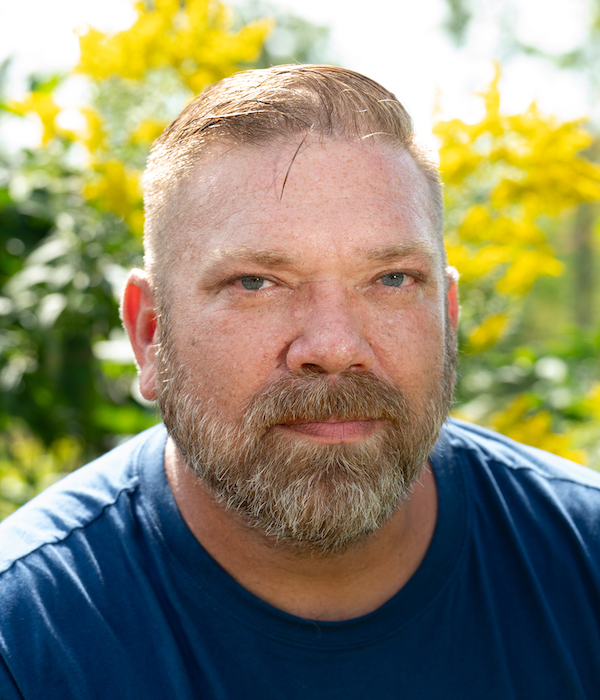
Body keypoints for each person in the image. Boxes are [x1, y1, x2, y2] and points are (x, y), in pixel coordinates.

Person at [1, 64, 599, 700]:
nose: (336, 347)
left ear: (448, 319)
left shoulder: (583, 562)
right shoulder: (27, 639)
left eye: (393, 279)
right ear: (150, 333)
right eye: (256, 283)